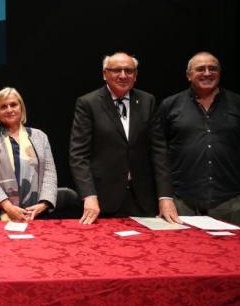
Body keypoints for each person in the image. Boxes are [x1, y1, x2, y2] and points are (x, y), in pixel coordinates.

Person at [69, 52, 178, 224]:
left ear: (135, 75)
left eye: (128, 70)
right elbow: (78, 155)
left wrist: (165, 196)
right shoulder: (88, 103)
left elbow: (159, 151)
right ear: (105, 74)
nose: (123, 75)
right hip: (102, 200)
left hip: (143, 199)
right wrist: (89, 195)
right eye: (116, 70)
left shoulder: (147, 101)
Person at [160, 52, 240, 227]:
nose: (208, 73)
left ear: (220, 73)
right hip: (181, 201)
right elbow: (160, 152)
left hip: (230, 201)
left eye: (213, 68)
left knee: (233, 246)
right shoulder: (170, 105)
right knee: (181, 245)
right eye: (201, 69)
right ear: (189, 75)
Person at [0, 87, 57, 221]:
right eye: (3, 107)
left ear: (21, 108)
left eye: (13, 105)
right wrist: (8, 207)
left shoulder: (40, 136)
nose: (9, 110)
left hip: (35, 213)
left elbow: (50, 173)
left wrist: (43, 204)